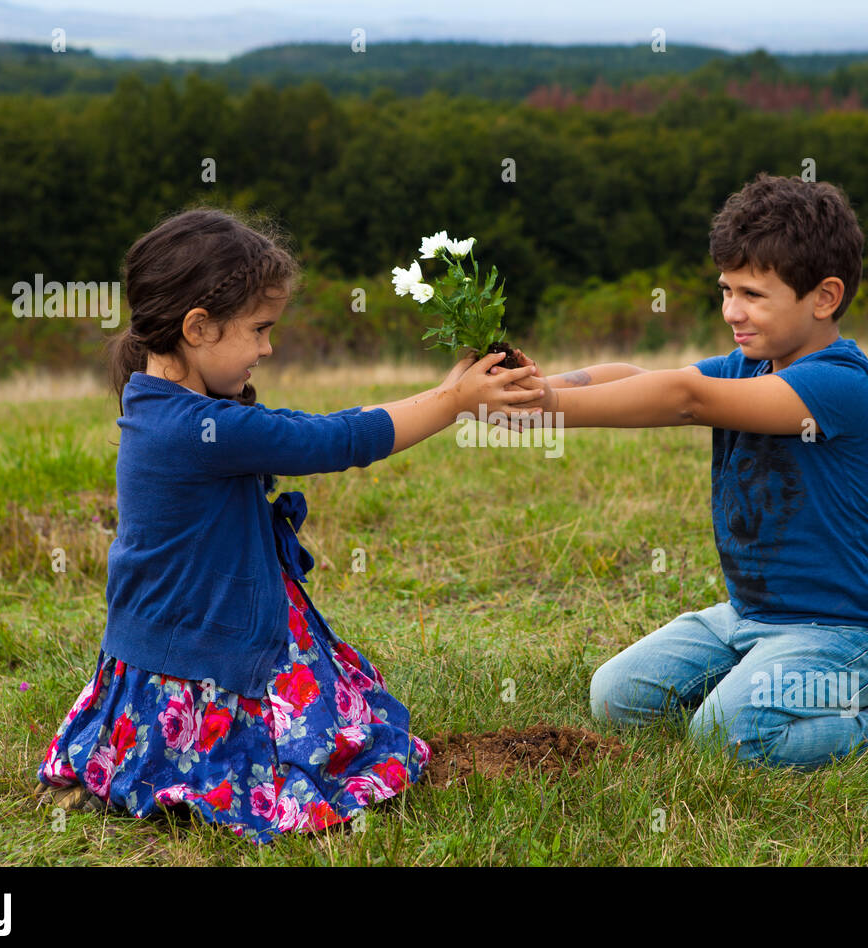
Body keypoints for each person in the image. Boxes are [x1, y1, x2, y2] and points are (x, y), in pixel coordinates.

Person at [33, 207, 543, 841]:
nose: (269, 348)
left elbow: (308, 427)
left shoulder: (164, 402)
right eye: (260, 329)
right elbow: (335, 442)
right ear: (198, 327)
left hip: (169, 647)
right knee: (354, 751)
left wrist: (447, 390)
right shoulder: (200, 428)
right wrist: (455, 405)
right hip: (207, 657)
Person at [507, 173, 868, 770]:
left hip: (844, 631)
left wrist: (551, 411)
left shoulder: (843, 384)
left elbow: (688, 397)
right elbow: (637, 376)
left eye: (753, 295)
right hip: (747, 615)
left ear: (824, 296)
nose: (731, 311)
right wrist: (530, 390)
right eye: (725, 289)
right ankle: (761, 683)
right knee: (616, 698)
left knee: (726, 738)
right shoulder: (748, 364)